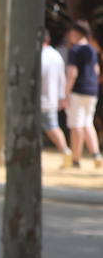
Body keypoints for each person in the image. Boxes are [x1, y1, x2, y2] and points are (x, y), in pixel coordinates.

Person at [63, 20, 102, 169]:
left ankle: (76, 158)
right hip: (92, 91)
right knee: (88, 123)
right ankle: (96, 154)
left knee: (76, 125)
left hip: (78, 90)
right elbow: (96, 70)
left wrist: (65, 94)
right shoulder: (93, 50)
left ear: (76, 33)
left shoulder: (75, 50)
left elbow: (72, 72)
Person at [40, 29, 71, 157]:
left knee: (49, 127)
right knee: (53, 127)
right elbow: (62, 78)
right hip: (52, 98)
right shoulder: (56, 55)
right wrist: (62, 96)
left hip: (40, 99)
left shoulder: (39, 55)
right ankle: (65, 151)